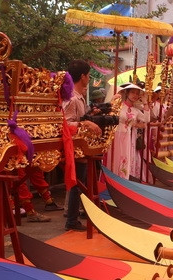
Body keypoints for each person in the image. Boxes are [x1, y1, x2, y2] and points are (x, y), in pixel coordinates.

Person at [62, 59, 102, 230]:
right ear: (83, 76)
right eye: (88, 75)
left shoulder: (78, 97)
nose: (89, 78)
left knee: (81, 181)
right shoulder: (71, 99)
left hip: (82, 145)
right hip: (74, 146)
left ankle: (79, 214)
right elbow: (64, 123)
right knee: (77, 182)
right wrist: (85, 124)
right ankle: (71, 219)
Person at [108, 83, 149, 179]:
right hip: (115, 135)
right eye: (132, 92)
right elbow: (110, 115)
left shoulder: (136, 110)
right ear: (126, 93)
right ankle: (111, 179)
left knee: (125, 159)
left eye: (137, 93)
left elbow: (146, 119)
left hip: (127, 137)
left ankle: (122, 180)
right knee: (115, 159)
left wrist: (145, 103)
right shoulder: (119, 105)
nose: (135, 95)